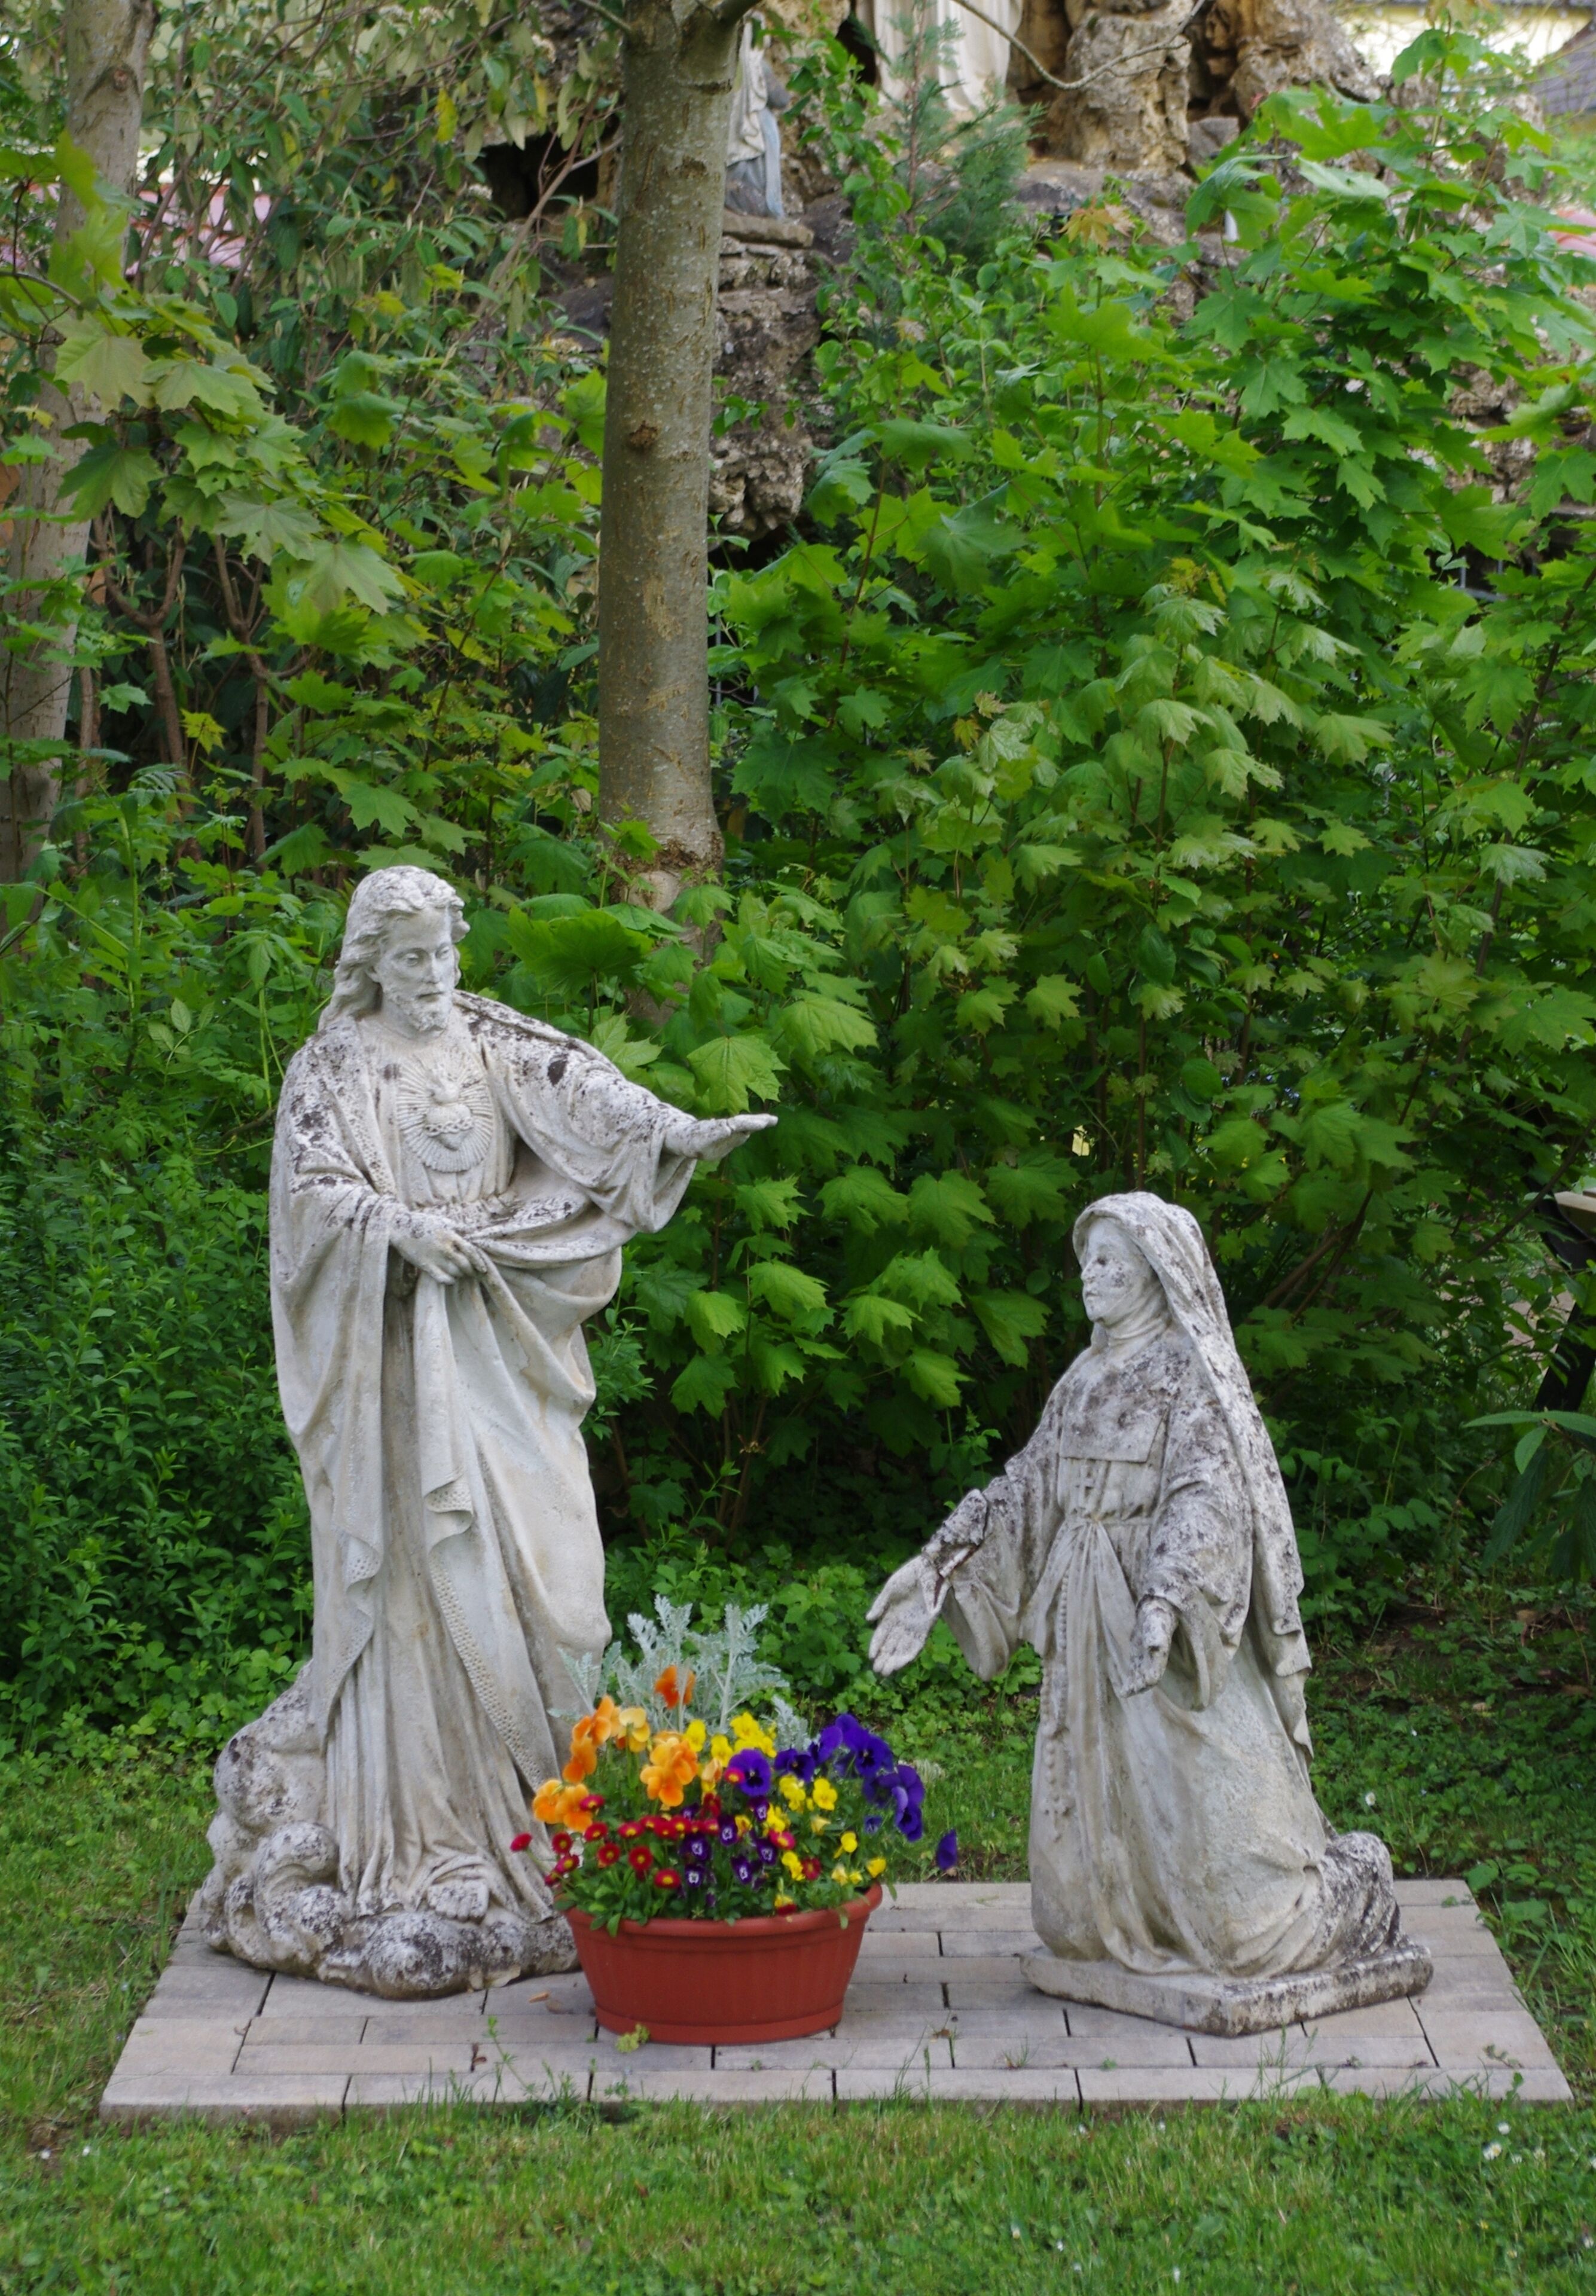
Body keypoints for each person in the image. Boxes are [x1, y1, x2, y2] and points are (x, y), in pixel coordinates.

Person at [200, 866, 772, 1995]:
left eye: (443, 952)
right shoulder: (333, 1065)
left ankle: (547, 1818)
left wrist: (672, 1133)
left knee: (556, 1583)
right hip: (398, 1368)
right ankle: (431, 1842)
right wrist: (397, 1230)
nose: (432, 974)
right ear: (369, 961)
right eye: (409, 956)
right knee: (421, 1585)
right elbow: (310, 1196)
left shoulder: (490, 1037)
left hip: (502, 1338)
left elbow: (583, 1096)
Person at [867, 1191, 1403, 1981]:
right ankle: (1124, 1909)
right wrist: (937, 1567)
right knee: (1072, 1926)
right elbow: (1028, 1487)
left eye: (1110, 1260)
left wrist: (1165, 1598)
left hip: (1166, 1629)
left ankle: (1355, 1887)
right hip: (1084, 1624)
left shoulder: (1189, 1376)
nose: (1091, 1274)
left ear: (1156, 1273)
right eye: (1087, 1259)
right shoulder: (1083, 1378)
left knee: (1245, 1932)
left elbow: (1209, 1495)